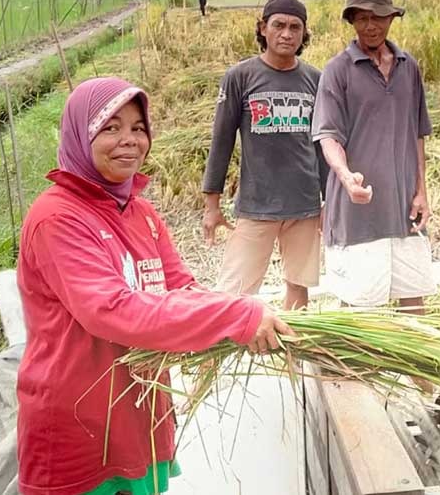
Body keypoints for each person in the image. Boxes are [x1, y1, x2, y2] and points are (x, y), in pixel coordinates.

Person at [16, 77, 293, 495]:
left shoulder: (140, 212)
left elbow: (178, 285)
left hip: (140, 414)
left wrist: (241, 313)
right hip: (80, 427)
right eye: (110, 128)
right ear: (79, 133)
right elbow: (111, 309)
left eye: (137, 127)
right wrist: (232, 316)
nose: (129, 140)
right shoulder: (58, 218)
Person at [312, 0, 435, 310]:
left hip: (404, 207)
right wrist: (345, 175)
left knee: (415, 304)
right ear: (351, 21)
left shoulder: (409, 67)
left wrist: (421, 191)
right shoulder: (338, 71)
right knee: (360, 310)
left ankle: (412, 363)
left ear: (392, 18)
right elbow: (328, 135)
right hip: (358, 211)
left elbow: (417, 134)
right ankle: (349, 366)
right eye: (362, 17)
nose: (371, 25)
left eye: (378, 16)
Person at [202, 0, 327, 309]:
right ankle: (211, 356)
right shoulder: (240, 77)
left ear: (304, 33)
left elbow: (322, 144)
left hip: (304, 205)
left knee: (299, 290)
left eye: (295, 27)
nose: (287, 34)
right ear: (263, 29)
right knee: (233, 294)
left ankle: (293, 358)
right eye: (279, 25)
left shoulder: (315, 80)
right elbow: (221, 141)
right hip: (257, 205)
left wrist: (329, 200)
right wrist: (211, 205)